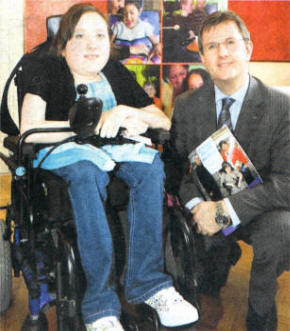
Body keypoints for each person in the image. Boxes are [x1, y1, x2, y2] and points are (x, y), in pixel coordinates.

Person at [20, 4, 198, 331]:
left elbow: (161, 121)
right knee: (87, 173)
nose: (92, 44)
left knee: (150, 168)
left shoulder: (115, 72)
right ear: (62, 44)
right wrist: (85, 126)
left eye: (100, 35)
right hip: (65, 155)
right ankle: (99, 304)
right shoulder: (46, 72)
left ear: (110, 41)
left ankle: (149, 285)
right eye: (80, 35)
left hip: (114, 151)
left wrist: (127, 112)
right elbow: (29, 129)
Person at [166, 10, 290, 330]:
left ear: (248, 48)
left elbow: (286, 183)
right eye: (212, 46)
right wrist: (197, 207)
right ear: (203, 58)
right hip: (205, 205)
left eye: (230, 43)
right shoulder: (187, 105)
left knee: (282, 227)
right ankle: (210, 274)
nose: (222, 53)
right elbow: (177, 167)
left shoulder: (282, 107)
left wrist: (225, 211)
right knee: (201, 279)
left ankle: (260, 313)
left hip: (259, 209)